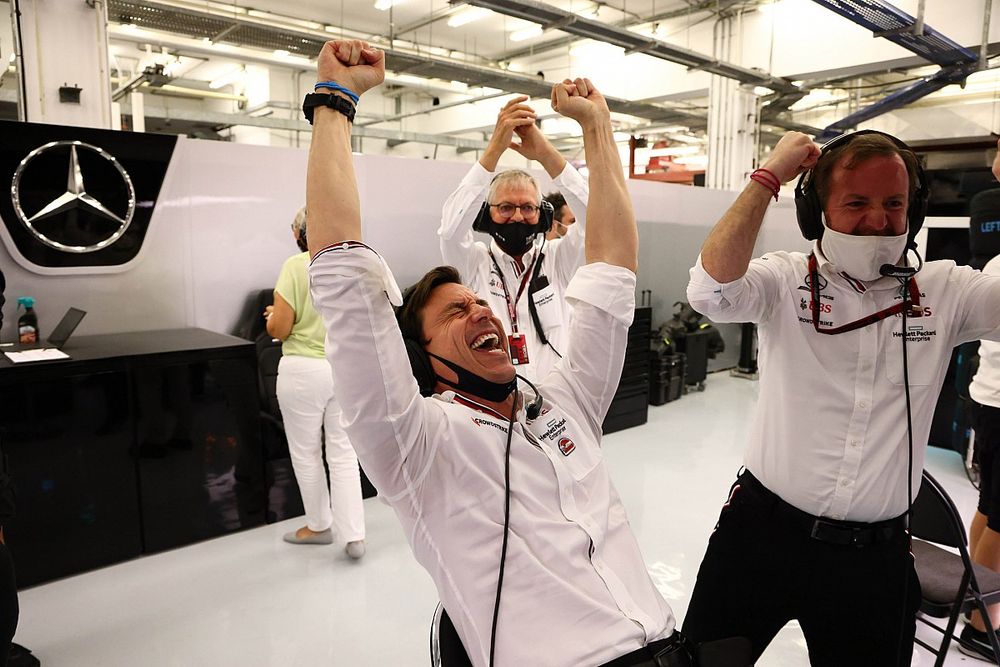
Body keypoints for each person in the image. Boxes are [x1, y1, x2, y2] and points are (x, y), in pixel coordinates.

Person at [304, 39, 688, 667]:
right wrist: (334, 102)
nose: (479, 308)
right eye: (455, 311)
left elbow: (613, 254)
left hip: (665, 640)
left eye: (476, 303)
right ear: (421, 356)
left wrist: (595, 127)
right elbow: (346, 280)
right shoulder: (417, 444)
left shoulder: (568, 392)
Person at [683, 129, 1000, 665]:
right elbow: (710, 291)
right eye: (857, 203)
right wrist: (767, 179)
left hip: (874, 558)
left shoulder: (947, 292)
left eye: (893, 204)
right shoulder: (786, 279)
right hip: (761, 536)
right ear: (816, 212)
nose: (878, 221)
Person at [438, 96, 589, 382]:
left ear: (542, 215)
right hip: (495, 398)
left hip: (555, 395)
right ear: (487, 216)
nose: (518, 217)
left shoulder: (559, 259)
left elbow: (594, 218)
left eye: (528, 208)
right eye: (506, 207)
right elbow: (450, 230)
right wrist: (495, 148)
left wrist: (545, 153)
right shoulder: (474, 263)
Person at [264, 207, 365, 558]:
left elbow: (281, 328)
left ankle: (319, 526)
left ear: (299, 235)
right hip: (342, 370)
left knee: (306, 453)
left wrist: (271, 318)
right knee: (344, 453)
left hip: (303, 372)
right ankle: (354, 536)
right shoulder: (350, 266)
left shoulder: (295, 266)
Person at [962, 141, 1000, 661]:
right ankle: (979, 624)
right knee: (999, 518)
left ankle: (968, 593)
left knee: (989, 506)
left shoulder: (991, 262)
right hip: (998, 401)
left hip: (987, 397)